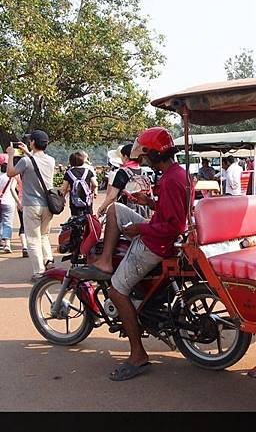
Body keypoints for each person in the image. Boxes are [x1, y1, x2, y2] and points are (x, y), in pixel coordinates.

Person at [71, 127, 188, 381]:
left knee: (116, 290)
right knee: (115, 210)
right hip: (160, 236)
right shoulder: (178, 174)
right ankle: (104, 262)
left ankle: (138, 354)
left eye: (146, 156)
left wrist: (140, 227)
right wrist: (150, 204)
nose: (144, 161)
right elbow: (172, 214)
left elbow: (174, 225)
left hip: (156, 244)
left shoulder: (170, 180)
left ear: (156, 154)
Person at [6, 130, 56, 280]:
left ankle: (39, 272)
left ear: (33, 142)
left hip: (31, 204)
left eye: (30, 140)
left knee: (33, 239)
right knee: (44, 235)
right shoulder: (51, 160)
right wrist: (28, 153)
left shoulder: (25, 161)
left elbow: (10, 172)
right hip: (48, 205)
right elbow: (37, 164)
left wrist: (10, 155)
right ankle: (49, 260)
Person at [96, 143, 151, 219]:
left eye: (121, 156)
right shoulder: (143, 172)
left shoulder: (123, 172)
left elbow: (112, 196)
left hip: (126, 211)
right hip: (143, 211)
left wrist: (101, 208)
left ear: (125, 157)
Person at [61, 152, 98, 217]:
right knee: (88, 217)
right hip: (87, 200)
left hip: (74, 201)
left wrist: (63, 198)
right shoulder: (88, 171)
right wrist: (90, 191)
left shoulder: (69, 173)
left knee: (75, 218)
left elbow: (64, 188)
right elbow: (95, 184)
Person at [0, 155, 19, 253]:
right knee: (8, 223)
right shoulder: (12, 177)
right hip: (9, 201)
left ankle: (1, 242)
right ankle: (7, 243)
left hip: (0, 201)